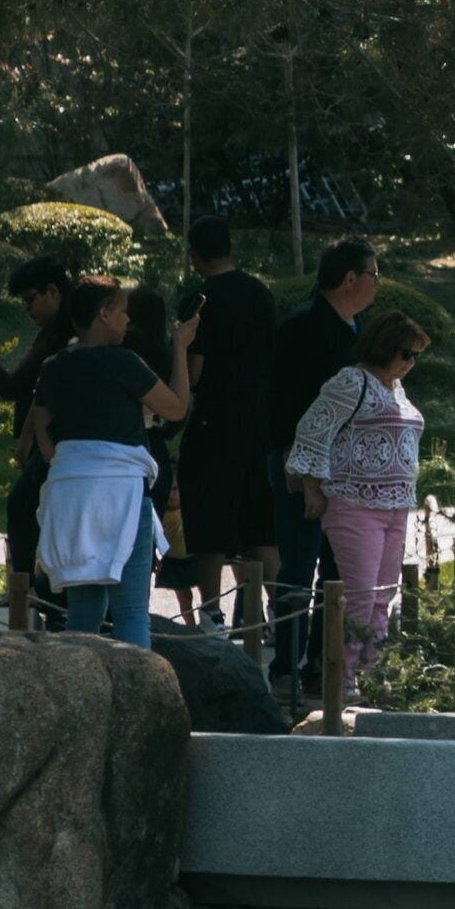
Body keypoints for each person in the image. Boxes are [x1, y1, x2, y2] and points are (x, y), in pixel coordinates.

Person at [20, 279, 194, 647]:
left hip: (72, 494)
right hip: (121, 493)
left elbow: (41, 431)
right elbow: (177, 407)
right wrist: (180, 347)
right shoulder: (125, 362)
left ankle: (82, 694)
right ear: (103, 313)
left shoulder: (55, 365)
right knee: (131, 610)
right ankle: (138, 700)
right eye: (122, 311)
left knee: (83, 611)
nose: (128, 320)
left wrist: (67, 460)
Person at [286, 309, 431, 707]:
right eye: (406, 353)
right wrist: (312, 488)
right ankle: (343, 677)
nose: (410, 363)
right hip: (354, 503)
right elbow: (313, 430)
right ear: (385, 347)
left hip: (397, 505)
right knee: (361, 596)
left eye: (416, 356)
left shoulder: (396, 389)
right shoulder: (352, 381)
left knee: (385, 595)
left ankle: (374, 673)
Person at [265, 239, 381, 695]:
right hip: (302, 469)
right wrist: (304, 478)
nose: (377, 283)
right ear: (350, 278)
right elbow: (284, 409)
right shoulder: (302, 326)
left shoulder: (359, 328)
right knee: (298, 564)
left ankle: (322, 666)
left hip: (349, 473)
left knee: (338, 571)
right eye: (374, 273)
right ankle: (284, 671)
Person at [175, 219, 285, 649]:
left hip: (215, 419)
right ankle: (281, 609)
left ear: (195, 254)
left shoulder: (199, 300)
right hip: (257, 419)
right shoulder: (260, 292)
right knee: (261, 522)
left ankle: (212, 612)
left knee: (209, 519)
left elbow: (196, 370)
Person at [0, 253, 73, 623]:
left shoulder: (61, 334)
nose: (27, 309)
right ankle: (32, 591)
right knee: (34, 511)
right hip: (49, 441)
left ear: (52, 292)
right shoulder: (55, 331)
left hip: (57, 443)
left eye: (30, 299)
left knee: (24, 507)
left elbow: (18, 387)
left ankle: (27, 592)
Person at [120, 282, 195, 624]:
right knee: (143, 545)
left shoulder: (123, 350)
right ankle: (138, 611)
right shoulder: (166, 353)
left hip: (123, 449)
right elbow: (179, 413)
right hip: (156, 452)